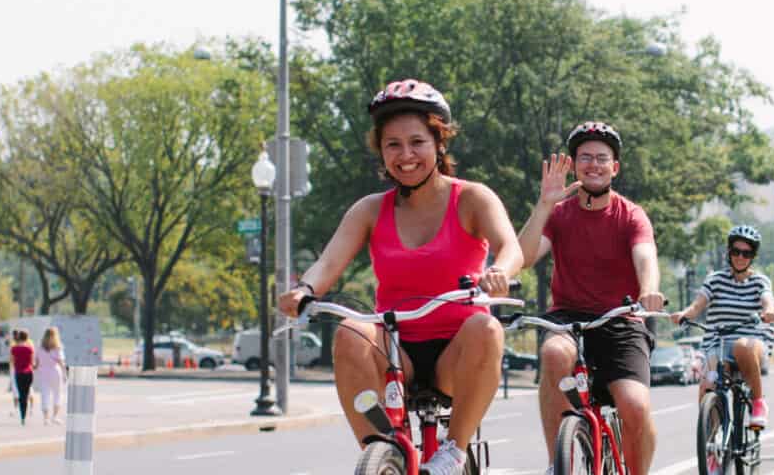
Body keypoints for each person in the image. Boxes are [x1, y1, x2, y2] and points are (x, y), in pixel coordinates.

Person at [277, 79, 523, 475]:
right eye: (393, 145)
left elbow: (512, 248)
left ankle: (453, 452)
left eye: (417, 142)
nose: (405, 155)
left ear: (439, 143)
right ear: (381, 151)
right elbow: (327, 263)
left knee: (487, 328)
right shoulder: (370, 209)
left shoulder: (473, 198)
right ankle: (382, 453)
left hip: (456, 351)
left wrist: (500, 271)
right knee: (350, 331)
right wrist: (304, 290)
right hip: (394, 349)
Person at [516, 122, 663, 475]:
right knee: (553, 353)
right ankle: (558, 463)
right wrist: (544, 203)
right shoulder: (560, 214)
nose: (593, 165)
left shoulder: (631, 215)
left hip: (621, 320)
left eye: (602, 158)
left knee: (635, 407)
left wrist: (648, 290)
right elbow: (523, 256)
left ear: (615, 167)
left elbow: (646, 256)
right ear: (574, 164)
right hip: (568, 318)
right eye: (585, 158)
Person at [670, 225, 774, 429]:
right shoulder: (715, 280)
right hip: (718, 344)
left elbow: (767, 299)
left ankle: (758, 403)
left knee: (742, 345)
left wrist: (769, 310)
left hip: (752, 344)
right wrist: (684, 314)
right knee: (707, 386)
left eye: (746, 253)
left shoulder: (759, 281)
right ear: (729, 252)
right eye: (736, 251)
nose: (740, 257)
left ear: (753, 256)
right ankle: (712, 444)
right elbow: (698, 304)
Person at [35, 326, 69, 425]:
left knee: (45, 394)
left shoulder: (40, 348)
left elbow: (36, 363)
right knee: (57, 394)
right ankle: (55, 416)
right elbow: (61, 362)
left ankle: (46, 418)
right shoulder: (57, 347)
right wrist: (65, 374)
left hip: (43, 372)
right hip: (55, 371)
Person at [9, 328, 36, 425]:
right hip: (28, 373)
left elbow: (12, 361)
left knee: (21, 395)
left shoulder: (14, 348)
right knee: (27, 391)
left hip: (19, 372)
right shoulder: (29, 348)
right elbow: (32, 363)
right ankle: (28, 410)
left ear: (18, 337)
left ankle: (23, 416)